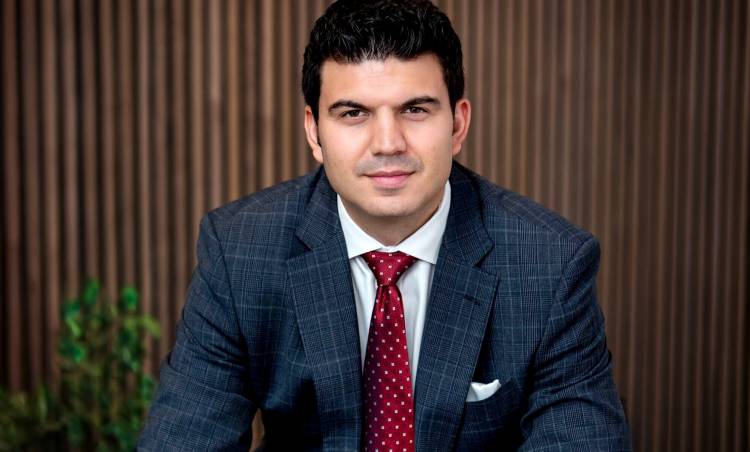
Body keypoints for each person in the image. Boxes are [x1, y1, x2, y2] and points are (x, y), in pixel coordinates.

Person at [138, 0, 631, 450]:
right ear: (314, 131)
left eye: (415, 110)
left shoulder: (551, 264)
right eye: (354, 113)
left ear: (458, 124)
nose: (388, 143)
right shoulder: (240, 252)